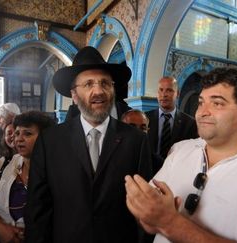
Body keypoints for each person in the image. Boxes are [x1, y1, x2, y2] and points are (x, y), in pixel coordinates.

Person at [125, 68, 237, 243]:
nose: (202, 112)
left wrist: (169, 222)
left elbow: (163, 219)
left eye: (217, 103)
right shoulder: (180, 150)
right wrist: (147, 213)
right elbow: (150, 213)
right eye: (200, 102)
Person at [25, 46, 152, 243]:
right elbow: (37, 208)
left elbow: (145, 210)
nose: (98, 91)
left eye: (105, 83)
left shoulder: (136, 141)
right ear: (74, 95)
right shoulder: (50, 142)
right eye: (89, 84)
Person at [0, 111, 55, 243]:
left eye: (27, 133)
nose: (18, 139)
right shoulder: (3, 164)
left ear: (46, 137)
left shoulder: (58, 170)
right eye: (17, 133)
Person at [145, 76, 197, 174]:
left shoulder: (190, 123)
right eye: (160, 90)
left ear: (177, 93)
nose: (164, 94)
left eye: (169, 90)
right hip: (148, 174)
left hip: (176, 175)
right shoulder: (145, 119)